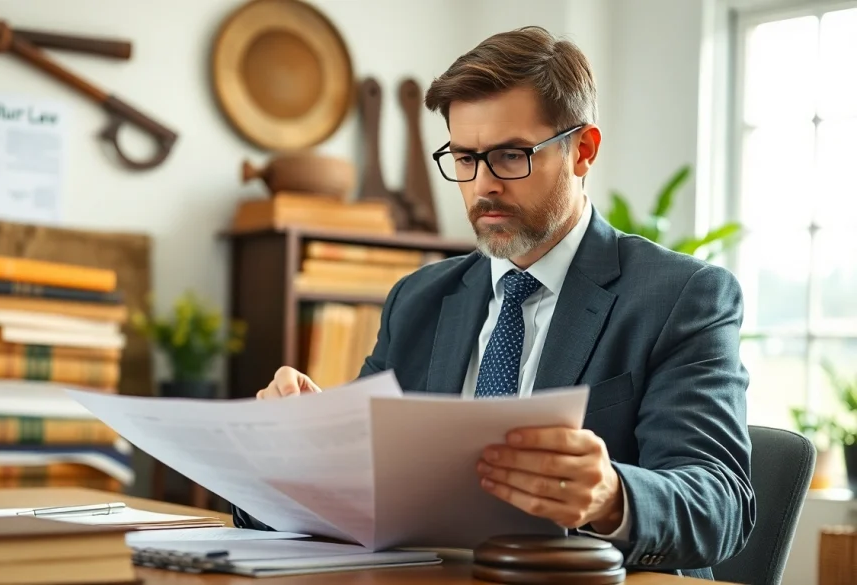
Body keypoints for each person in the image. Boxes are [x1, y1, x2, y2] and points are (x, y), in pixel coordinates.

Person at [236, 26, 755, 580]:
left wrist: (612, 496)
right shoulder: (418, 301)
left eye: (511, 156)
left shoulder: (681, 297)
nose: (483, 185)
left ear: (583, 151)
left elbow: (720, 505)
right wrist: (290, 454)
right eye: (464, 158)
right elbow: (359, 494)